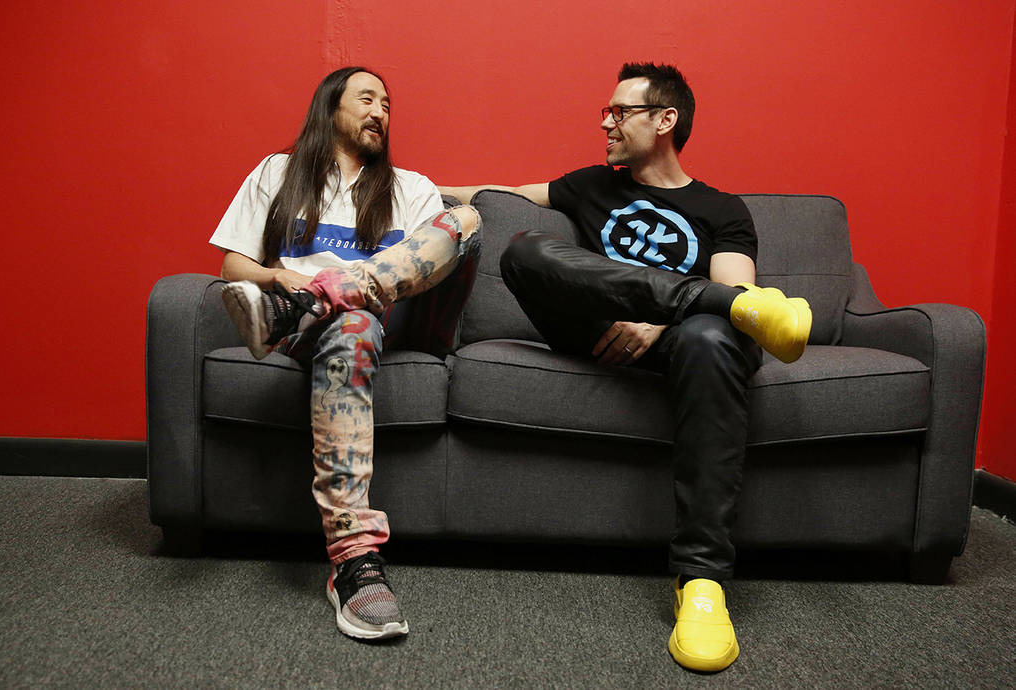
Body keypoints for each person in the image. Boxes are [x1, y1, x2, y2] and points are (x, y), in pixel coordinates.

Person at [438, 62, 810, 672]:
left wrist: (664, 320)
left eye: (619, 111)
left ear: (666, 120)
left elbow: (742, 298)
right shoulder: (592, 184)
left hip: (683, 342)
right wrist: (406, 184)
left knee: (718, 334)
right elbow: (497, 196)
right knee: (524, 250)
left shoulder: (721, 209)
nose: (604, 121)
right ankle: (694, 305)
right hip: (597, 330)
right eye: (605, 112)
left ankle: (702, 583)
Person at [210, 66, 481, 641]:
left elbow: (434, 265)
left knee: (467, 219)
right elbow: (233, 265)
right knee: (352, 323)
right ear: (330, 108)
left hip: (386, 321)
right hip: (312, 330)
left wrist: (321, 293)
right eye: (366, 98)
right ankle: (354, 564)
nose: (381, 110)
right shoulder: (278, 173)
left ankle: (317, 300)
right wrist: (276, 276)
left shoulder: (409, 187)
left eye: (387, 103)